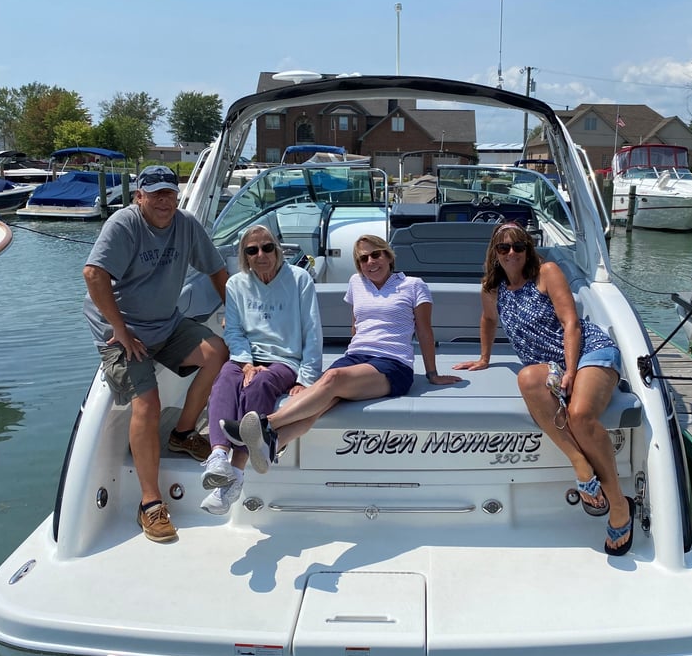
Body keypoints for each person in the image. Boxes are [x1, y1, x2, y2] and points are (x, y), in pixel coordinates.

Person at [452, 222, 634, 556]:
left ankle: (619, 504)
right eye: (504, 248)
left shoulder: (547, 272)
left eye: (518, 246)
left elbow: (571, 324)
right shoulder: (492, 288)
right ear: (494, 252)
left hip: (588, 351)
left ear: (528, 249)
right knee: (526, 379)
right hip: (547, 364)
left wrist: (572, 371)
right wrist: (483, 358)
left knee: (579, 415)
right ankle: (580, 463)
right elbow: (489, 320)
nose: (511, 253)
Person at [225, 234, 461, 471]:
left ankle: (265, 424)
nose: (371, 262)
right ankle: (273, 446)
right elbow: (356, 325)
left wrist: (432, 373)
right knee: (323, 403)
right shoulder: (356, 283)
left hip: (393, 363)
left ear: (388, 256)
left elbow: (424, 331)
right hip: (356, 356)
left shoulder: (413, 285)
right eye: (363, 259)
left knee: (332, 379)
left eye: (376, 254)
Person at [83, 164, 229, 543]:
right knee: (147, 402)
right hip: (121, 331)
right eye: (155, 193)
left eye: (170, 193)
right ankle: (150, 503)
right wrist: (121, 330)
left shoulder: (186, 224)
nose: (164, 200)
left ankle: (183, 433)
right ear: (139, 197)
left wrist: (240, 318)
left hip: (166, 322)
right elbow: (93, 274)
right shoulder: (123, 224)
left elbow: (216, 269)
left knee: (217, 351)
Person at [200, 225, 322, 515]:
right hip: (248, 358)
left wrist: (306, 379)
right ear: (245, 256)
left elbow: (312, 332)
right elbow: (235, 332)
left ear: (277, 250)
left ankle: (233, 478)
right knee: (224, 381)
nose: (261, 255)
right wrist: (245, 363)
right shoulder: (235, 285)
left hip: (285, 361)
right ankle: (218, 455)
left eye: (267, 247)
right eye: (252, 250)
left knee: (259, 386)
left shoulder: (300, 279)